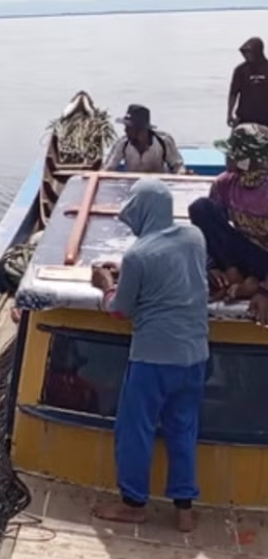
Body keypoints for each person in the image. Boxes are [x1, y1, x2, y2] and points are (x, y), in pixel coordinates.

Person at [90, 177, 210, 533]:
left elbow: (120, 309)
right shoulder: (195, 238)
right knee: (183, 428)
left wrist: (106, 283)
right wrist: (126, 273)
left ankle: (133, 504)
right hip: (196, 355)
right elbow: (173, 274)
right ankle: (184, 509)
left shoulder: (138, 255)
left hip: (154, 358)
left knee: (135, 429)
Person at [188, 123, 268, 324]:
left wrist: (264, 291)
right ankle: (233, 276)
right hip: (242, 255)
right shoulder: (224, 184)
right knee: (201, 208)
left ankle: (252, 283)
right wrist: (214, 266)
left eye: (233, 153)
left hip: (264, 259)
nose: (227, 157)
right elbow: (213, 231)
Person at [101, 104, 186, 174]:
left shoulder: (164, 141)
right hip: (133, 188)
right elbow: (108, 169)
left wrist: (181, 174)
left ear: (141, 129)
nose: (125, 130)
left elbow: (177, 166)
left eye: (129, 127)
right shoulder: (122, 144)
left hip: (159, 187)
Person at [228, 37, 268, 128]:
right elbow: (233, 93)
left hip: (265, 117)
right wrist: (229, 114)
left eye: (249, 52)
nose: (246, 55)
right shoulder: (240, 70)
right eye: (244, 53)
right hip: (244, 117)